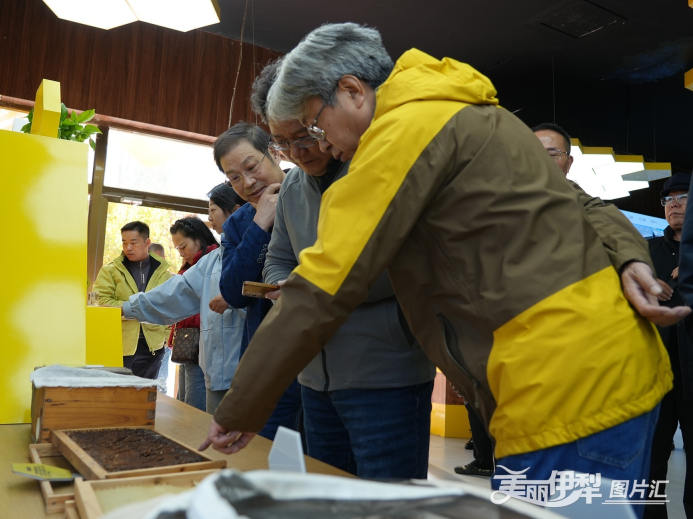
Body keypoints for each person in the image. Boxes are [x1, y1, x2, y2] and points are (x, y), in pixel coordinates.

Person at [201, 24, 686, 511]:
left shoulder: (399, 138)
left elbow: (322, 287)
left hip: (560, 385)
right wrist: (629, 257)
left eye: (315, 128)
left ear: (352, 90)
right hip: (603, 369)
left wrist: (239, 408)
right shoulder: (466, 109)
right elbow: (581, 205)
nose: (321, 145)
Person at [250, 60, 436, 479]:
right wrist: (284, 282)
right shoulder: (293, 188)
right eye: (282, 144)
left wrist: (314, 283)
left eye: (305, 135)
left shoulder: (382, 171)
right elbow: (278, 255)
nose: (298, 153)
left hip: (387, 372)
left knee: (388, 502)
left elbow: (405, 264)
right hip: (314, 375)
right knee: (327, 494)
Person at [122, 187, 246, 414]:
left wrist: (233, 298)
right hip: (211, 360)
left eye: (213, 210)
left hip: (232, 365)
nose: (209, 218)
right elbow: (178, 291)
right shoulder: (213, 260)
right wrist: (128, 308)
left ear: (236, 211)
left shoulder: (246, 253)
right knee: (198, 414)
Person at [214, 122, 303, 441]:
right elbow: (232, 292)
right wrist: (260, 222)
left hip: (320, 355)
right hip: (268, 362)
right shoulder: (238, 224)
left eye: (252, 167)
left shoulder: (312, 192)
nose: (247, 182)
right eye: (234, 177)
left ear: (275, 154)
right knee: (269, 460)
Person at [646, 172, 693, 519]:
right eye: (668, 199)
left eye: (682, 196)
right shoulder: (645, 252)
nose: (674, 204)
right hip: (655, 373)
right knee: (651, 457)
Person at [92, 221, 173, 379]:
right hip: (120, 345)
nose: (128, 248)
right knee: (116, 396)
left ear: (147, 242)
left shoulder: (163, 273)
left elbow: (169, 306)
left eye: (133, 243)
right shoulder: (110, 271)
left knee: (144, 398)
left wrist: (164, 339)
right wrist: (136, 307)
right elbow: (100, 302)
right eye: (124, 243)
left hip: (153, 348)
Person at [167, 217, 219, 412]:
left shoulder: (211, 261)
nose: (181, 253)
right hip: (188, 341)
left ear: (198, 238)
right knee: (183, 401)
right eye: (177, 249)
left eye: (183, 246)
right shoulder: (192, 264)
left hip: (201, 342)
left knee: (193, 406)